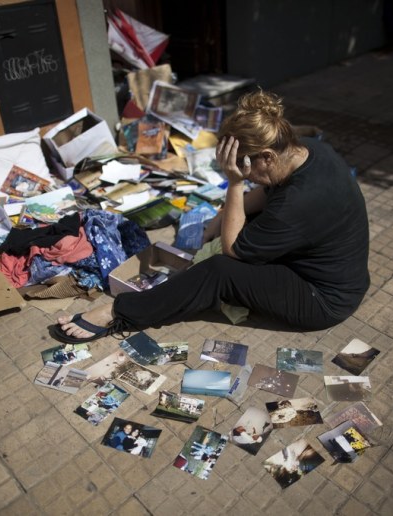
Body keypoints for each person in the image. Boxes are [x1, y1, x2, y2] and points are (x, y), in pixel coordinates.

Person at [52, 90, 370, 344]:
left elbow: (233, 251)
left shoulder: (297, 204)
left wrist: (234, 184)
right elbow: (263, 196)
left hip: (323, 300)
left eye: (246, 167)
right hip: (337, 276)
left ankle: (118, 311)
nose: (246, 175)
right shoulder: (308, 150)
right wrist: (223, 216)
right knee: (240, 220)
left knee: (219, 269)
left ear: (268, 156)